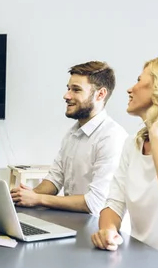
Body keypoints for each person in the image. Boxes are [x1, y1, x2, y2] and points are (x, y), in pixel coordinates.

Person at [92, 55, 158, 268]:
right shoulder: (132, 144)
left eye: (139, 81)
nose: (130, 89)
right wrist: (108, 230)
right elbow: (113, 203)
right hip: (141, 265)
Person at [11, 61, 127, 215]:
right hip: (72, 220)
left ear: (100, 94)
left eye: (76, 90)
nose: (66, 96)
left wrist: (37, 199)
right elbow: (54, 179)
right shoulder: (72, 133)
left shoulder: (112, 137)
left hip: (97, 228)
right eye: (68, 88)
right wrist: (23, 197)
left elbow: (95, 203)